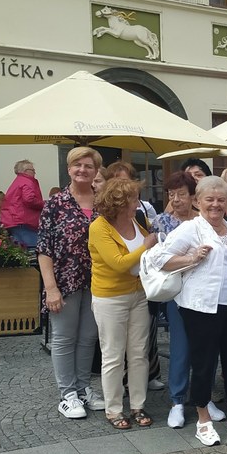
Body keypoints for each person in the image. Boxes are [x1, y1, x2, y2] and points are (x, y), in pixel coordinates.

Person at [151, 176, 227, 445]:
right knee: (203, 363)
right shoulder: (192, 229)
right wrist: (191, 258)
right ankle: (203, 419)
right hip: (200, 307)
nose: (215, 204)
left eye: (221, 199)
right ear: (197, 202)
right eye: (209, 199)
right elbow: (159, 258)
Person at [38, 147, 105, 420]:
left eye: (88, 166)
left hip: (98, 281)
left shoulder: (103, 201)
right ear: (69, 169)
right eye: (77, 165)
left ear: (96, 171)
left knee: (88, 337)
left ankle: (83, 388)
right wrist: (50, 288)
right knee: (65, 338)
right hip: (64, 281)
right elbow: (44, 249)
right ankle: (67, 394)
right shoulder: (55, 204)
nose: (82, 170)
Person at [89, 178, 158, 430]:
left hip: (139, 293)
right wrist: (146, 246)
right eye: (132, 199)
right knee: (113, 355)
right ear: (118, 202)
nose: (136, 203)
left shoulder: (138, 221)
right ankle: (114, 409)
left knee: (139, 353)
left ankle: (138, 405)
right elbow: (118, 263)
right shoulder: (99, 227)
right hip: (110, 297)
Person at [105, 160, 163, 391]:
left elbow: (154, 239)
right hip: (113, 291)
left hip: (142, 287)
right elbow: (119, 263)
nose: (125, 186)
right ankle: (119, 387)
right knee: (116, 346)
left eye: (128, 180)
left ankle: (148, 376)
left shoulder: (141, 213)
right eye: (119, 180)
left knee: (143, 339)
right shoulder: (102, 221)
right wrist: (147, 246)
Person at [150, 171, 201, 429]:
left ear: (193, 196)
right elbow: (154, 256)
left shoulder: (205, 220)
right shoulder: (161, 222)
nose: (177, 199)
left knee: (205, 348)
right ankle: (177, 400)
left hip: (204, 292)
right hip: (176, 292)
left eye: (182, 194)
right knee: (180, 347)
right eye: (172, 194)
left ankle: (203, 397)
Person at [0, 159, 45, 248]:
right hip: (23, 221)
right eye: (32, 170)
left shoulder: (18, 181)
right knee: (33, 249)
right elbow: (29, 200)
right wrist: (45, 204)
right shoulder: (27, 181)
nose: (34, 173)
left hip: (13, 220)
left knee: (20, 251)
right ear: (25, 171)